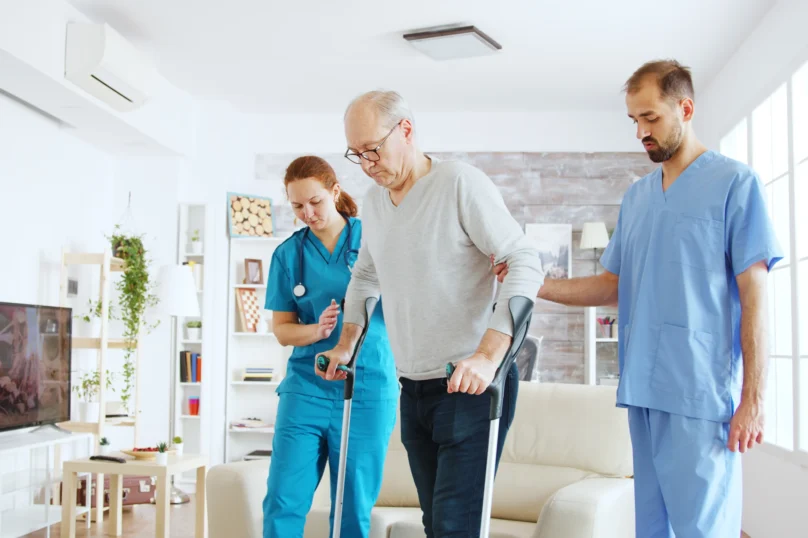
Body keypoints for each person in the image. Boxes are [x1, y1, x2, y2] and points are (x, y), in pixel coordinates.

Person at [496, 59, 782, 538]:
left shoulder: (736, 184)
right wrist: (534, 283)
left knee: (703, 529)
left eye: (650, 118)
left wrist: (753, 398)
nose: (640, 132)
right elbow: (611, 284)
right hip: (643, 389)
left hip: (699, 391)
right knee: (651, 528)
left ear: (685, 108)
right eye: (634, 120)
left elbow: (755, 296)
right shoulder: (638, 198)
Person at [317, 90, 544, 537]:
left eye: (373, 150)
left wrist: (487, 356)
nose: (366, 164)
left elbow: (523, 261)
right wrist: (346, 346)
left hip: (469, 386)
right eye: (356, 154)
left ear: (405, 130)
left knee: (455, 528)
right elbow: (365, 277)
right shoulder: (377, 203)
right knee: (435, 525)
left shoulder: (459, 183)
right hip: (414, 388)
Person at [261, 155, 399, 538]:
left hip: (367, 387)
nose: (308, 212)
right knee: (282, 500)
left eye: (315, 202)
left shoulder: (376, 237)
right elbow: (283, 331)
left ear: (335, 192)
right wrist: (318, 333)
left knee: (351, 507)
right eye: (297, 206)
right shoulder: (288, 254)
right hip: (305, 388)